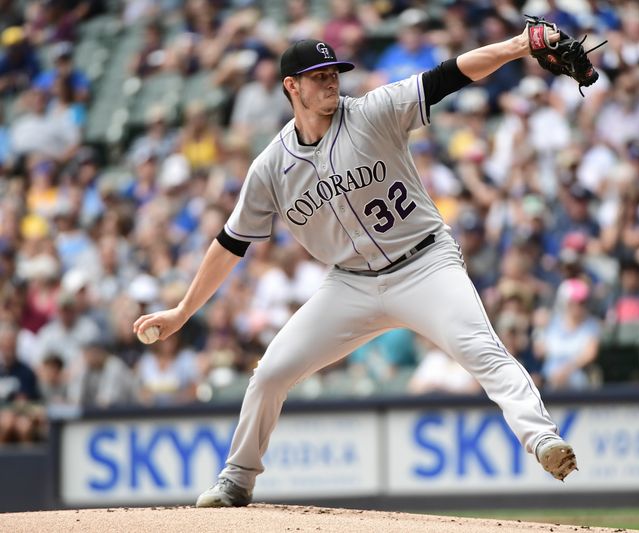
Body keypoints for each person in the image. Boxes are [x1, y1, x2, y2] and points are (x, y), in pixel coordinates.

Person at [134, 32, 579, 508]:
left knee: (481, 350)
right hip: (349, 284)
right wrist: (182, 310)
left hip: (425, 263)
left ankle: (543, 440)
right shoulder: (269, 167)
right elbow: (230, 243)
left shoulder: (371, 111)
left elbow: (449, 75)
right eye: (318, 77)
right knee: (269, 374)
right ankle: (237, 479)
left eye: (334, 74)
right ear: (291, 87)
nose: (331, 82)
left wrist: (518, 45)